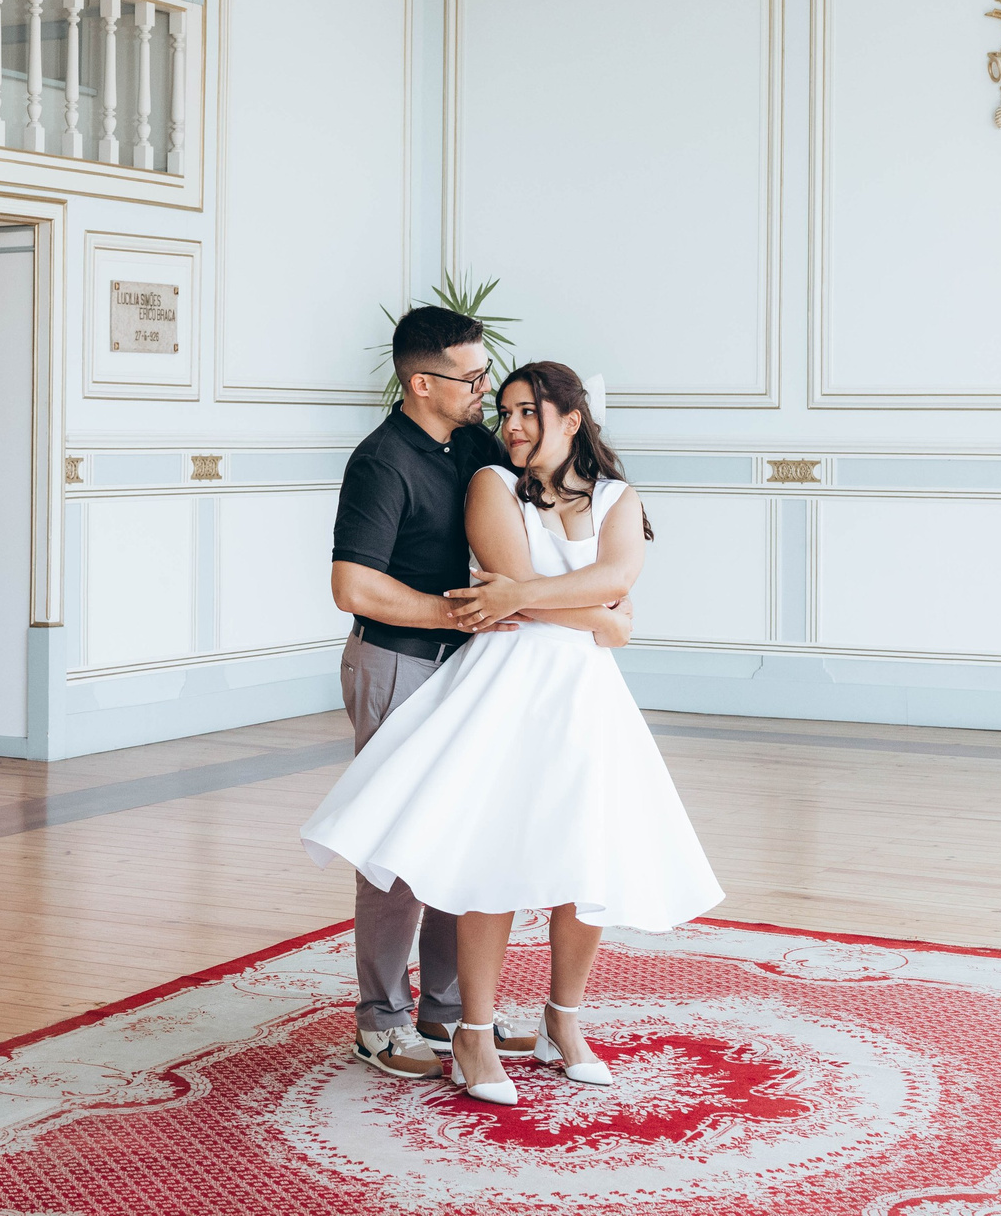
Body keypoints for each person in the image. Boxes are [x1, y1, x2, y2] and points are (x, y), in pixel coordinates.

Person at [304, 361, 722, 1106]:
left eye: (529, 411)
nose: (513, 425)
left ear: (572, 418)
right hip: (504, 684)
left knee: (588, 850)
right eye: (506, 411)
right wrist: (602, 620)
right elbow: (517, 592)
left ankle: (564, 1021)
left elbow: (600, 579)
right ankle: (468, 1029)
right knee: (486, 850)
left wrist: (569, 605)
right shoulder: (492, 484)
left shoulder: (619, 497)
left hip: (585, 696)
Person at [326, 306, 549, 1080]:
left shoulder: (479, 445)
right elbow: (352, 586)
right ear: (421, 383)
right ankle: (381, 1021)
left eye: (487, 373)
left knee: (463, 835)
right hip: (397, 662)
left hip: (471, 669)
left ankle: (449, 1010)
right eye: (472, 377)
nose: (485, 389)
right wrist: (456, 613)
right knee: (396, 843)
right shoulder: (380, 461)